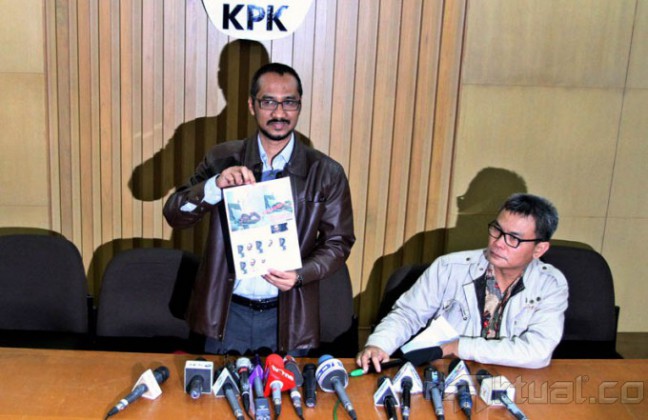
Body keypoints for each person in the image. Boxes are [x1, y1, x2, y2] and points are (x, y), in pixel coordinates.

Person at [164, 63, 355, 355]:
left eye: (289, 102)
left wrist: (301, 274)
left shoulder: (326, 172)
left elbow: (339, 242)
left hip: (289, 316)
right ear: (252, 105)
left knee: (283, 387)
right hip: (227, 314)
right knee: (220, 386)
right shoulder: (222, 158)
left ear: (299, 106)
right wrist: (214, 186)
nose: (279, 113)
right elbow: (175, 214)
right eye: (268, 102)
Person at [357, 193, 567, 370]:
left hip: (513, 379)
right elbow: (408, 314)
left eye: (514, 238)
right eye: (497, 230)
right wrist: (378, 344)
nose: (498, 243)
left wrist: (458, 347)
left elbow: (538, 351)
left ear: (539, 249)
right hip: (446, 375)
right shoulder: (448, 267)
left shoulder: (550, 284)